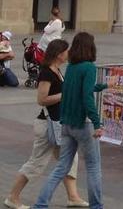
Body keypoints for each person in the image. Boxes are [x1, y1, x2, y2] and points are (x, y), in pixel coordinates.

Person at [5, 40, 89, 209]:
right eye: (66, 51)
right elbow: (42, 100)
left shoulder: (57, 71)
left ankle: (73, 197)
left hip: (59, 124)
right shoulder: (46, 73)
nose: (68, 54)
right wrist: (64, 95)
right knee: (37, 163)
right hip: (47, 126)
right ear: (59, 54)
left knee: (70, 159)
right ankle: (12, 197)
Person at [32, 32, 107, 209]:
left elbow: (76, 90)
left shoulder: (71, 67)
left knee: (61, 167)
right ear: (91, 47)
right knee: (93, 167)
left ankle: (40, 204)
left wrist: (100, 86)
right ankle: (97, 206)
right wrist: (97, 123)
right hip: (84, 124)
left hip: (67, 124)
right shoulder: (89, 67)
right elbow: (86, 96)